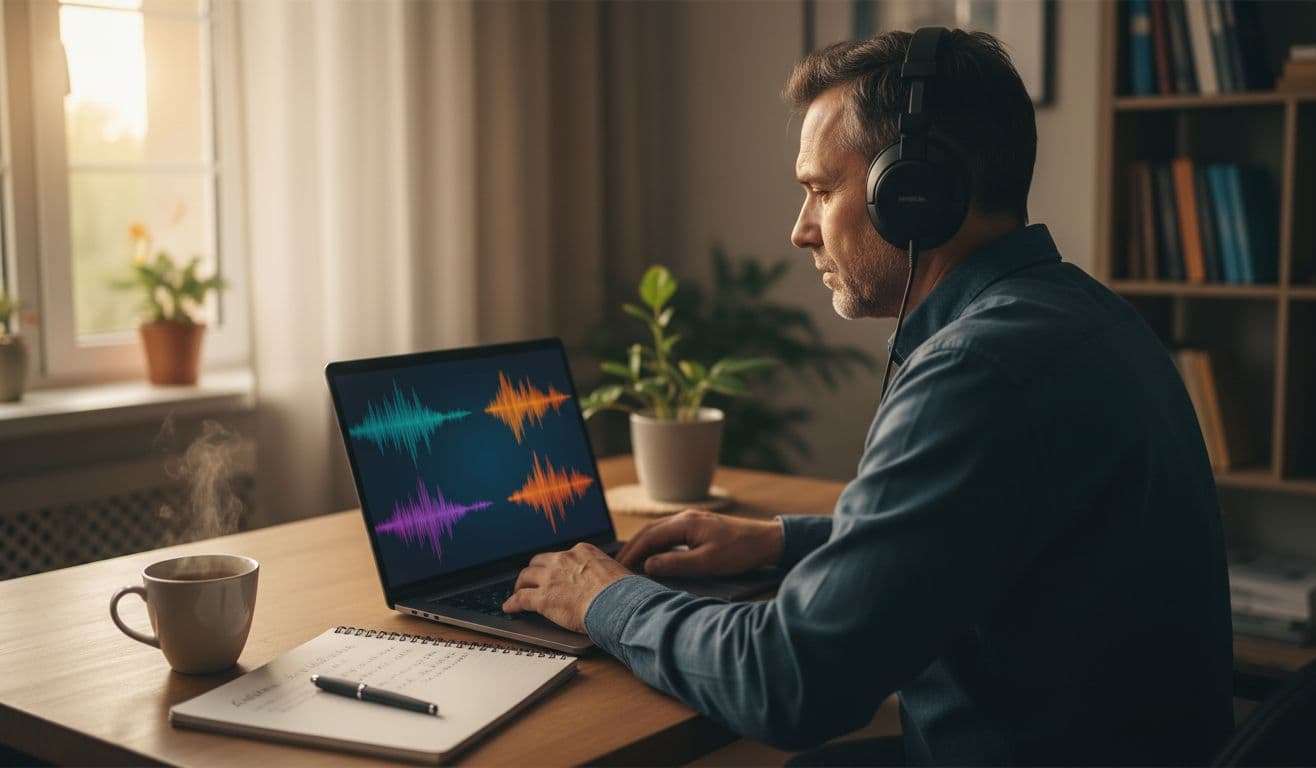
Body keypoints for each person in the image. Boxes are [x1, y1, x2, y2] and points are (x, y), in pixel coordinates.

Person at [503, 27, 1232, 766]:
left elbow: (789, 683)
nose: (800, 231)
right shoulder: (1082, 315)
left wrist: (604, 597)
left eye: (820, 190)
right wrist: (785, 541)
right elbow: (991, 530)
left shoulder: (978, 369)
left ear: (913, 193)